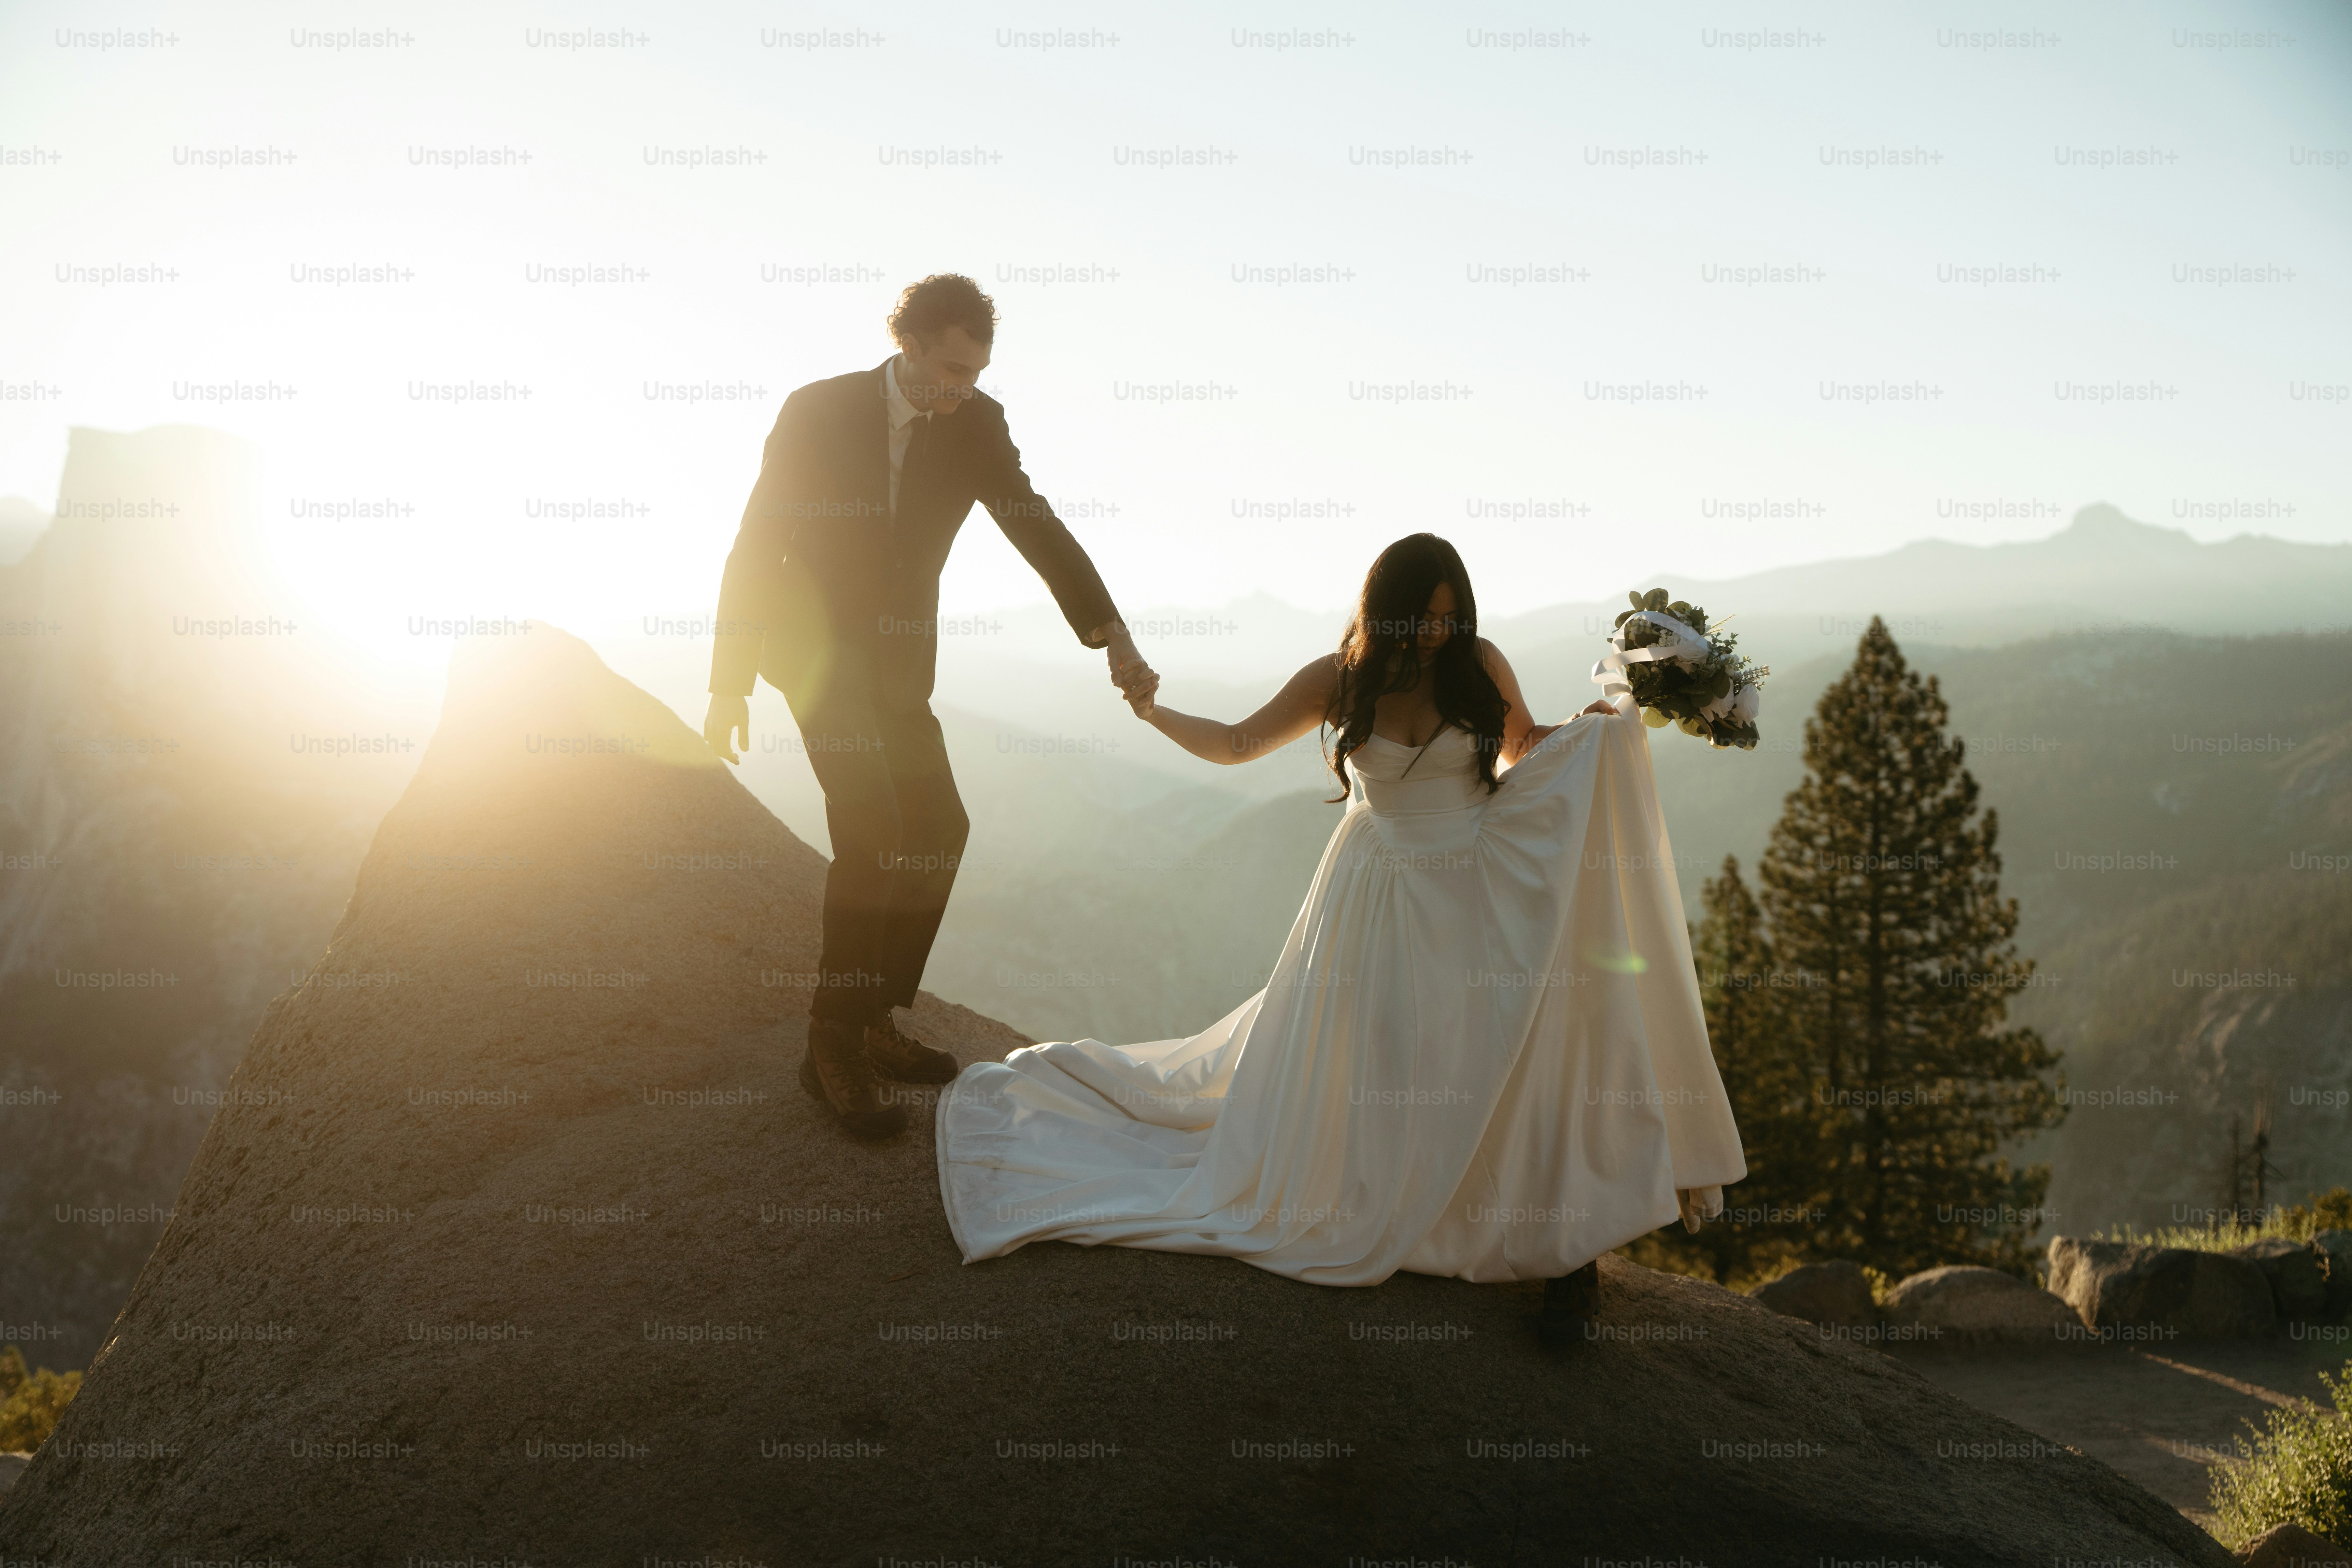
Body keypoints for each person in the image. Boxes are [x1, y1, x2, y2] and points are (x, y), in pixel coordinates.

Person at [933, 534, 1744, 1340]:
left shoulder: (1480, 661)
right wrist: (1152, 710)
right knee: (1388, 1052)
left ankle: (1563, 1254)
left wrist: (1602, 721)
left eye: (1449, 614)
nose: (1435, 629)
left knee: (1514, 1040)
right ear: (1383, 610)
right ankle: (1405, 1193)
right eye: (1421, 615)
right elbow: (1233, 744)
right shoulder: (1340, 677)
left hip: (1477, 873)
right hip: (1378, 884)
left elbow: (1522, 747)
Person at [704, 275, 1158, 1139]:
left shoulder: (977, 424)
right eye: (949, 370)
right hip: (813, 657)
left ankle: (874, 1012)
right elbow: (756, 540)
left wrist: (1114, 635)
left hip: (901, 665)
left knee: (939, 827)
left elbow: (1036, 525)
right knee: (873, 827)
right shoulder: (816, 410)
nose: (961, 390)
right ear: (905, 343)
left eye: (975, 375)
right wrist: (729, 681)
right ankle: (829, 1043)